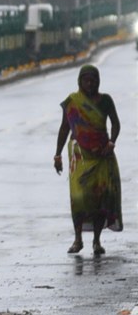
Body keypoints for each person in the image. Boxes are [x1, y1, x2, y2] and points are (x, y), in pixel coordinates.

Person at [54, 64, 122, 255]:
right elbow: (64, 128)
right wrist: (58, 154)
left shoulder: (106, 101)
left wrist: (111, 142)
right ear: (80, 81)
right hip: (79, 156)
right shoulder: (72, 102)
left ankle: (97, 241)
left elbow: (116, 124)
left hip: (102, 155)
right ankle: (78, 239)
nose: (90, 83)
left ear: (98, 81)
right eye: (86, 80)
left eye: (93, 80)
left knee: (99, 198)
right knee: (79, 197)